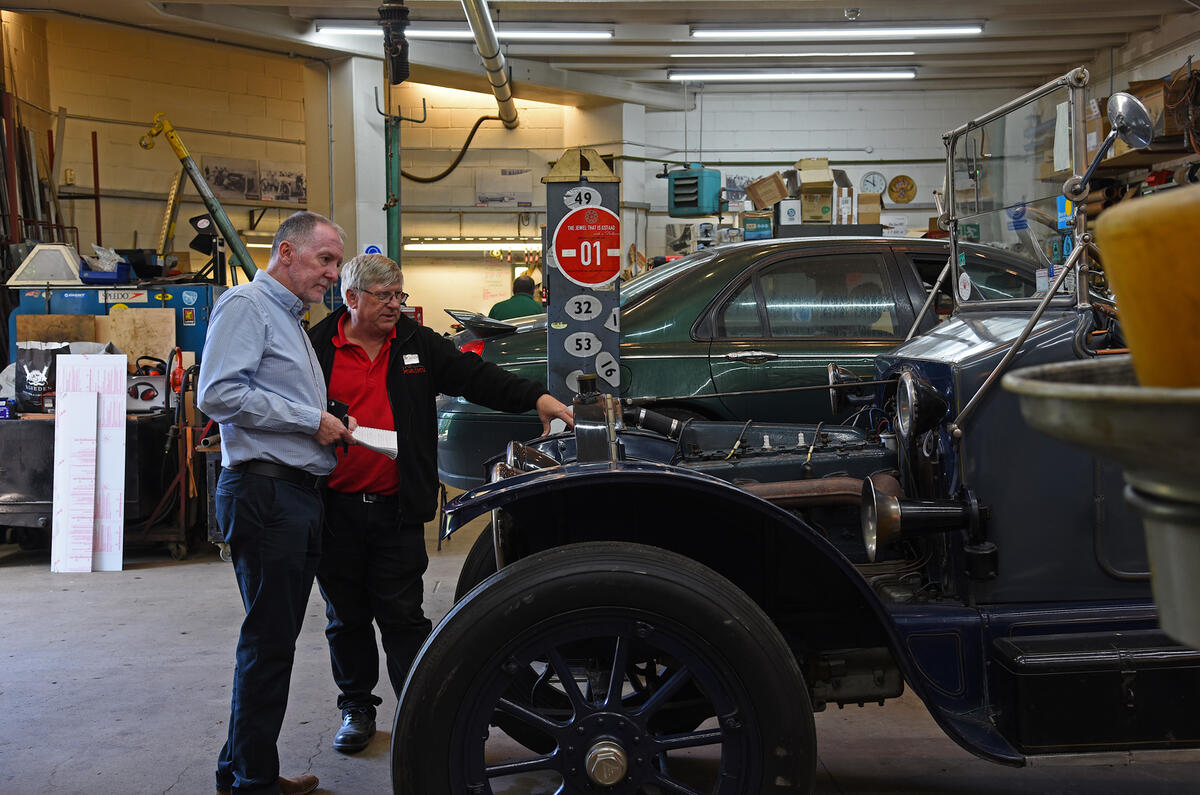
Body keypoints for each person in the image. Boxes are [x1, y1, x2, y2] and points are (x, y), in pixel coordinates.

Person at [308, 253, 573, 754]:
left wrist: (536, 398)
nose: (394, 306)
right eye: (384, 297)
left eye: (398, 295)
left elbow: (476, 376)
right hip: (334, 508)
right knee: (345, 616)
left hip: (396, 508)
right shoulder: (317, 346)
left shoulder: (414, 343)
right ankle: (357, 707)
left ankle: (418, 710)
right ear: (351, 299)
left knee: (403, 615)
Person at [198, 210, 356, 795]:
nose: (332, 275)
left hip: (292, 493)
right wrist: (308, 419)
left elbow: (273, 398)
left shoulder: (289, 319)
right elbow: (217, 394)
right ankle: (252, 782)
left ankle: (243, 769)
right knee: (267, 643)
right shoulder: (248, 307)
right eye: (326, 260)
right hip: (266, 493)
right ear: (286, 253)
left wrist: (330, 420)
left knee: (273, 641)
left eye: (335, 263)